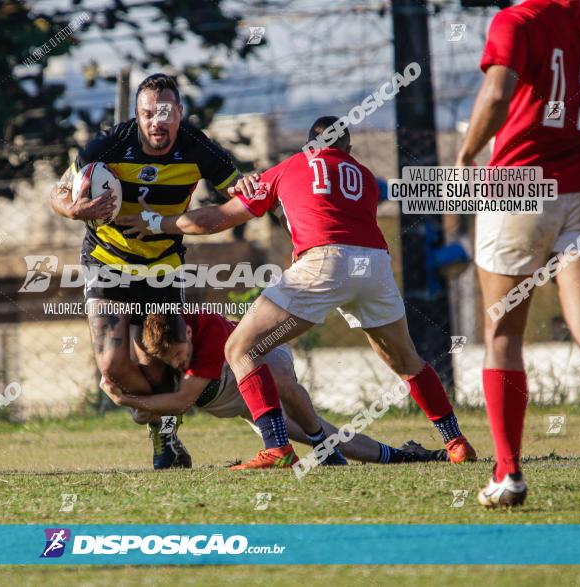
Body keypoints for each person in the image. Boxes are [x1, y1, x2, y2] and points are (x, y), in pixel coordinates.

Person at [121, 116, 477, 470]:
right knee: (406, 360)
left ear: (309, 146)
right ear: (348, 150)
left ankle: (276, 448)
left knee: (241, 348)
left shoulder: (291, 167)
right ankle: (455, 441)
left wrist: (157, 223)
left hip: (324, 263)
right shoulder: (365, 177)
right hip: (375, 265)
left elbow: (216, 219)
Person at [49, 73, 242, 469]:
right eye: (148, 113)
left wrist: (264, 194)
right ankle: (161, 425)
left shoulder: (197, 147)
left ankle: (163, 434)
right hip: (108, 262)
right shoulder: (107, 145)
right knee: (112, 364)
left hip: (163, 269)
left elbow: (240, 194)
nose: (157, 121)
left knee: (156, 359)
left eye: (165, 113)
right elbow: (59, 192)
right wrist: (73, 209)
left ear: (179, 114)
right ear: (138, 116)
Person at [456, 0, 580, 507]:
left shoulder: (517, 20)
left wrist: (465, 154)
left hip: (519, 184)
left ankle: (508, 472)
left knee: (502, 334)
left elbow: (496, 94)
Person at [101, 312, 447, 467]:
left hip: (262, 367)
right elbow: (162, 399)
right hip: (240, 401)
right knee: (324, 436)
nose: (177, 363)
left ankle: (399, 456)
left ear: (188, 336)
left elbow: (182, 400)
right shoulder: (160, 349)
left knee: (306, 414)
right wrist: (129, 397)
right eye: (169, 359)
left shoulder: (205, 331)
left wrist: (122, 398)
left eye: (179, 355)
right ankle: (393, 454)